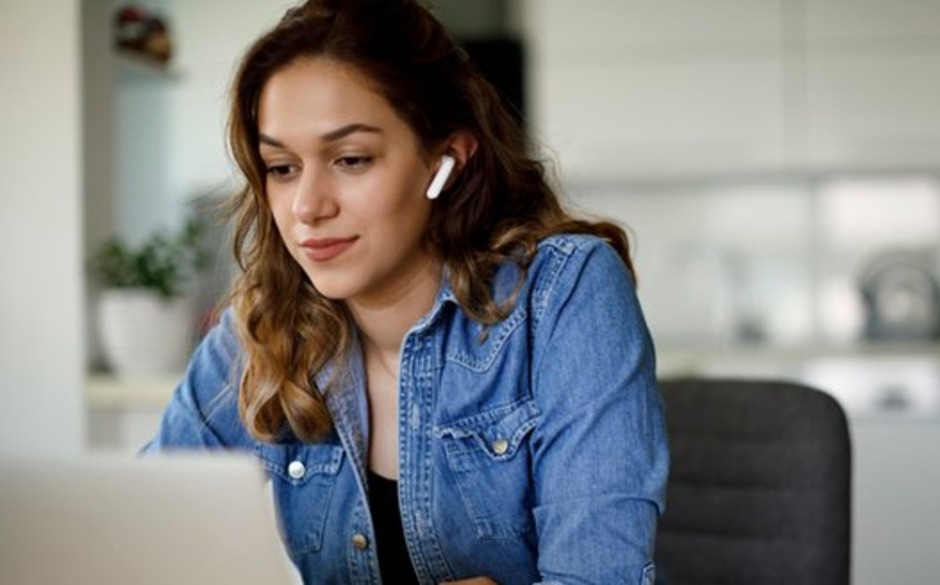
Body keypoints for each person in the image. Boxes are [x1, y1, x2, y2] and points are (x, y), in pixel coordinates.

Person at [144, 0, 668, 584]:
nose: (308, 208)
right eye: (282, 167)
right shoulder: (263, 329)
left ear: (447, 160)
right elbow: (134, 537)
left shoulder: (565, 292)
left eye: (350, 159)